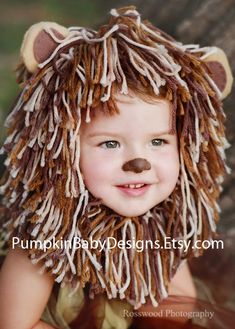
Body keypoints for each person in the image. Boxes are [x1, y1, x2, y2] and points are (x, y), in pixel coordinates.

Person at [0, 6, 233, 329]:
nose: (139, 163)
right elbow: (15, 325)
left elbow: (179, 310)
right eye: (110, 143)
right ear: (63, 151)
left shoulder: (162, 227)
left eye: (158, 142)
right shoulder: (43, 239)